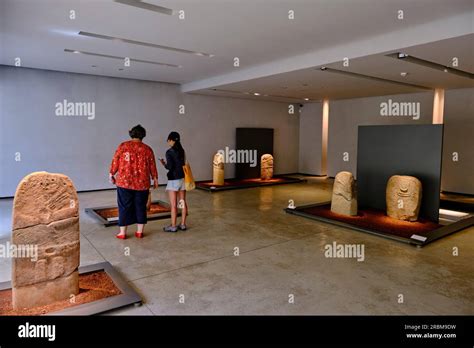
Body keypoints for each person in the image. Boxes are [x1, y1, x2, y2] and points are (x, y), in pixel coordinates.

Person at [109, 125, 158, 239]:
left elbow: (115, 160)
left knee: (124, 206)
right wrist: (155, 178)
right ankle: (139, 232)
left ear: (131, 134)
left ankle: (122, 233)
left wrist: (111, 173)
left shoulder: (123, 146)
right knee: (141, 206)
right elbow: (152, 165)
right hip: (142, 183)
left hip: (124, 182)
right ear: (143, 135)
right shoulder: (147, 149)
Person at [160, 131, 188, 232]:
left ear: (171, 140)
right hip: (182, 179)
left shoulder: (169, 152)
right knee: (183, 202)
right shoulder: (182, 151)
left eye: (168, 140)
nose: (168, 142)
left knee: (173, 204)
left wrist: (164, 163)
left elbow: (170, 167)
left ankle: (173, 226)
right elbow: (182, 164)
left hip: (173, 180)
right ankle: (183, 224)